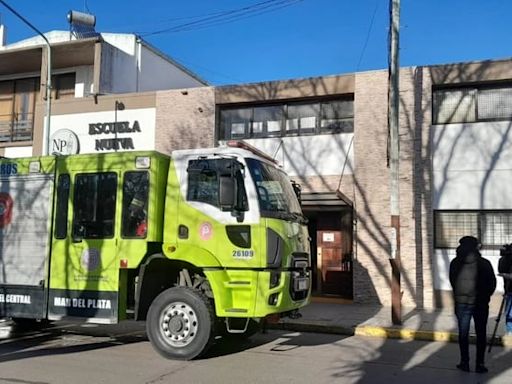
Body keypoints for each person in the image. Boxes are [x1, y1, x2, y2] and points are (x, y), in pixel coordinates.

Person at [449, 236, 496, 373]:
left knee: (463, 334)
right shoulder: (484, 263)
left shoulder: (455, 263)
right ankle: (479, 364)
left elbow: (453, 281)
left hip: (462, 303)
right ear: (476, 247)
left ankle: (464, 362)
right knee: (481, 333)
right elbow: (492, 283)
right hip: (480, 303)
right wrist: (485, 296)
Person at [498, 244, 512, 335]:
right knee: (510, 315)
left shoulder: (503, 259)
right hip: (509, 290)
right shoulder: (505, 260)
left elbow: (501, 271)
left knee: (509, 315)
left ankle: (510, 335)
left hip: (509, 290)